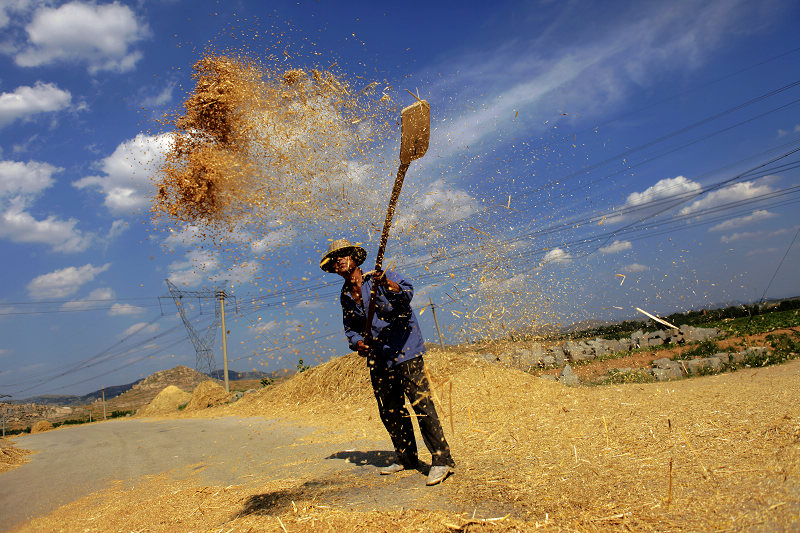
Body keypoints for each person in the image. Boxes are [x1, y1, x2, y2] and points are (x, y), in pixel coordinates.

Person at [320, 238, 455, 486]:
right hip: (378, 355)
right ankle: (406, 457)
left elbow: (407, 295)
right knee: (390, 409)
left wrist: (388, 285)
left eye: (343, 255)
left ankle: (441, 460)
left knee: (420, 403)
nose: (338, 260)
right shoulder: (345, 296)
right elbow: (350, 328)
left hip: (404, 348)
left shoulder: (379, 277)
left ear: (355, 259)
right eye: (335, 258)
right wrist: (357, 342)